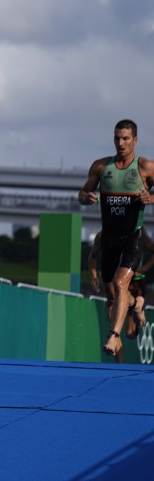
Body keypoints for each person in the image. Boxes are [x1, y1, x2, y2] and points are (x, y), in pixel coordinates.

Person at [79, 119, 154, 357]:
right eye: (117, 138)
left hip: (133, 237)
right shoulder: (101, 167)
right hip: (109, 239)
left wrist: (151, 199)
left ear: (135, 140)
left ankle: (113, 336)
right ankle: (137, 304)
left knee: (121, 284)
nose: (120, 143)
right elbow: (82, 193)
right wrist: (86, 197)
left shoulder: (145, 167)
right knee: (113, 294)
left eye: (125, 138)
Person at [87, 228, 154, 361]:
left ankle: (136, 306)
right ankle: (120, 366)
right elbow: (92, 256)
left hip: (134, 282)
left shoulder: (139, 233)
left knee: (130, 333)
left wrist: (144, 268)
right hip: (113, 285)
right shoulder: (102, 236)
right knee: (113, 328)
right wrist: (94, 276)